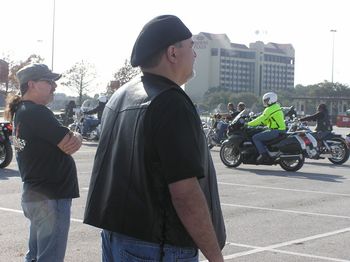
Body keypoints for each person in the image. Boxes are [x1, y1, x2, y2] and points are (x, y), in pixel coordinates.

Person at [84, 15, 226, 262]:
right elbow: (185, 193)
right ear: (173, 52)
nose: (195, 54)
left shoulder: (121, 95)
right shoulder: (170, 102)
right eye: (191, 46)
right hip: (158, 246)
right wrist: (215, 256)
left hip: (118, 237)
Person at [4, 63, 83, 262]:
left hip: (37, 196)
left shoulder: (22, 110)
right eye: (48, 82)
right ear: (32, 84)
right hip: (51, 198)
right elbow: (69, 145)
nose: (53, 86)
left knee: (35, 256)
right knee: (49, 258)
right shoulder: (37, 112)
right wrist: (78, 136)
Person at [247, 92, 286, 163]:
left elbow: (261, 119)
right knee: (261, 131)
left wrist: (248, 123)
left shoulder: (269, 109)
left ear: (271, 99)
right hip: (280, 130)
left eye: (266, 100)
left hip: (275, 131)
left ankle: (263, 154)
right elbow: (268, 120)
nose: (265, 102)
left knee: (255, 138)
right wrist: (262, 124)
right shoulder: (276, 107)